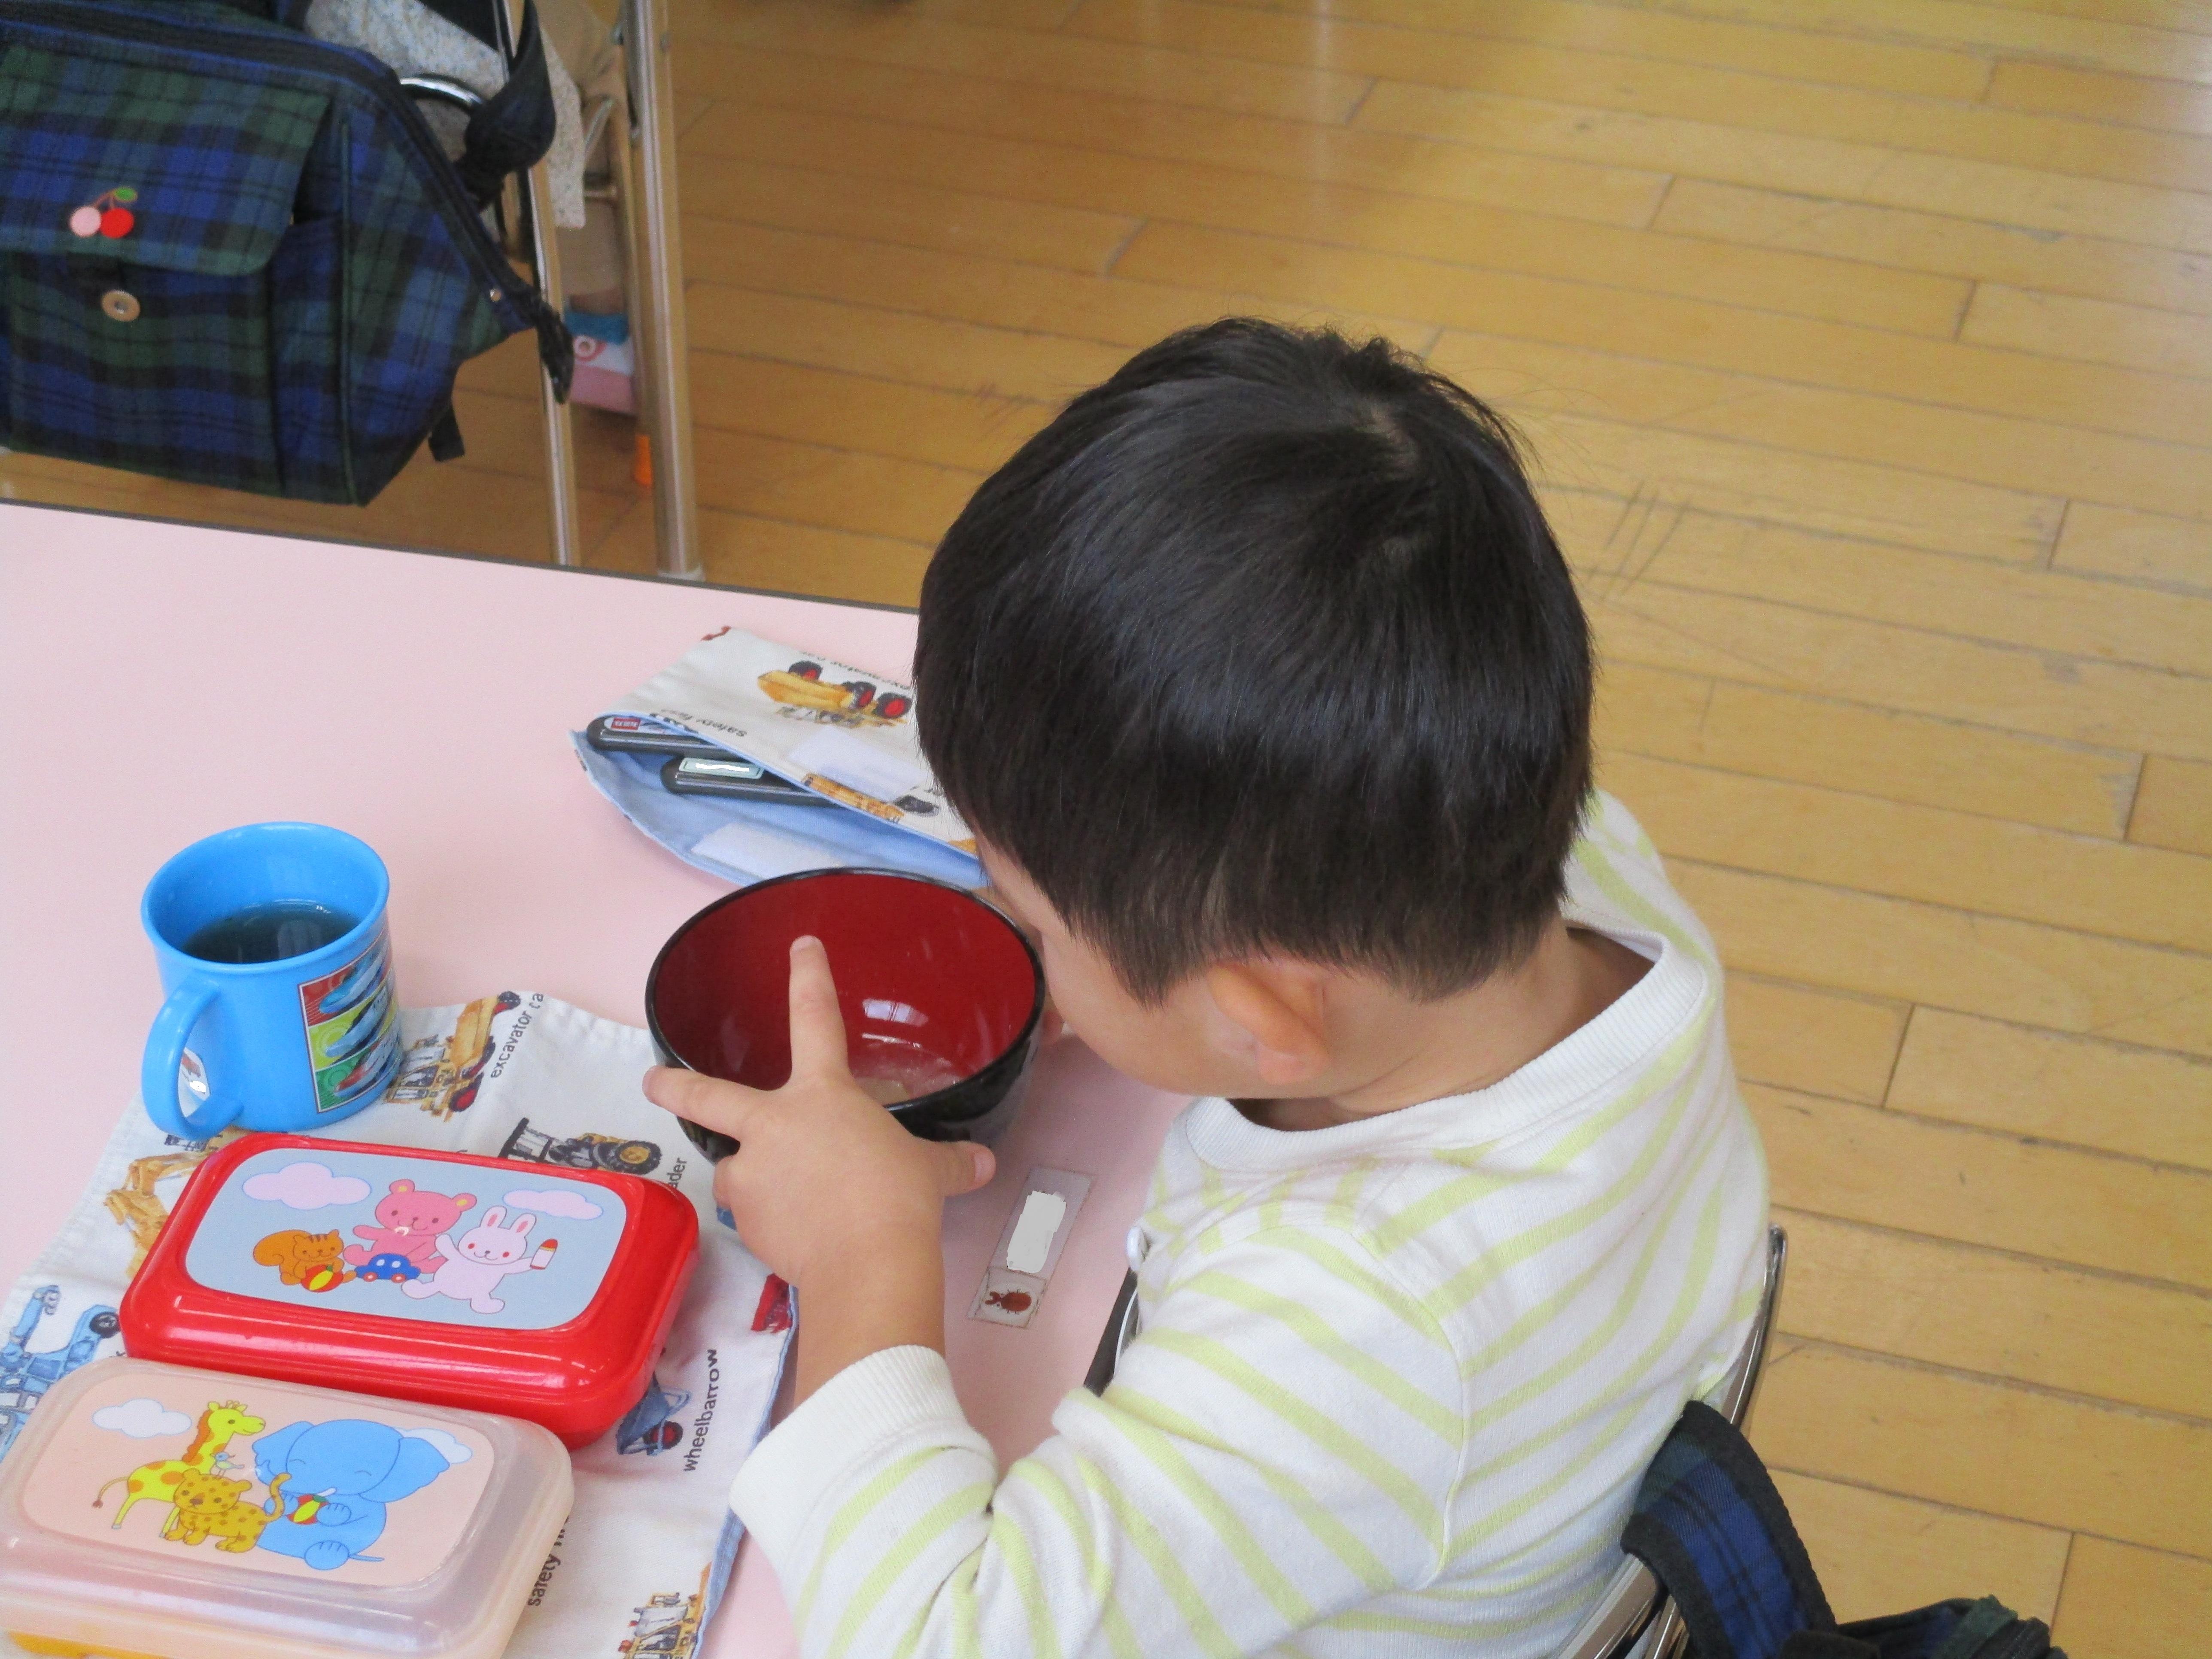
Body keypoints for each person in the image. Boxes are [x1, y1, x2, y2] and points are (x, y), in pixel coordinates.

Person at [645, 319, 1770, 1658]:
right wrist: (1123, 952)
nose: (1023, 936)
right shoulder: (1572, 862)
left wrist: (861, 1257)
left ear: (1267, 1022)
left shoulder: (1352, 1329)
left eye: (1046, 925)